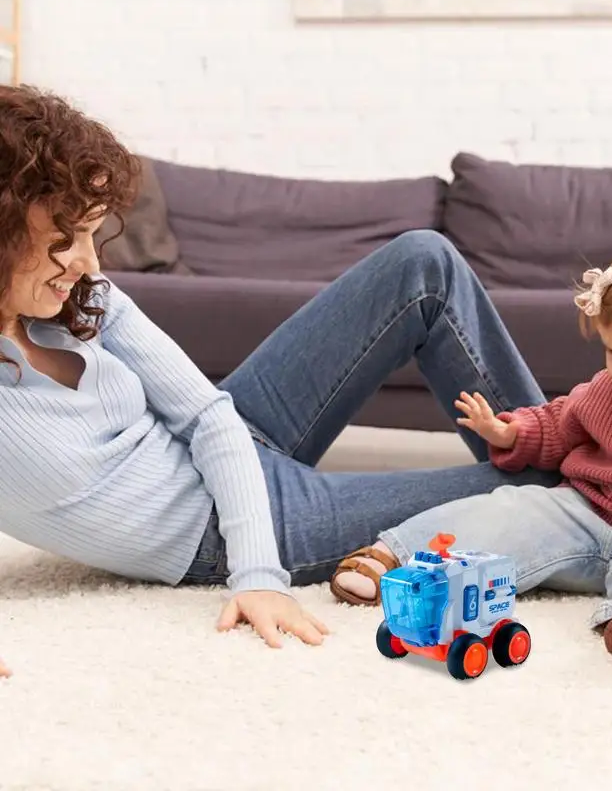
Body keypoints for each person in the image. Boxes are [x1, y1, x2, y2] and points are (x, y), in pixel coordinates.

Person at [0, 84, 562, 676]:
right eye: (64, 239)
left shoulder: (82, 299)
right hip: (220, 527)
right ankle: (600, 481)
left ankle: (556, 443)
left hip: (236, 435)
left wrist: (259, 576)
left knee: (423, 261)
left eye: (92, 233)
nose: (90, 262)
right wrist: (255, 570)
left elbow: (208, 416)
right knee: (538, 487)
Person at [330, 230, 612, 661]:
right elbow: (560, 423)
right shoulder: (611, 390)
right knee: (511, 509)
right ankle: (395, 561)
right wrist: (511, 433)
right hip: (584, 514)